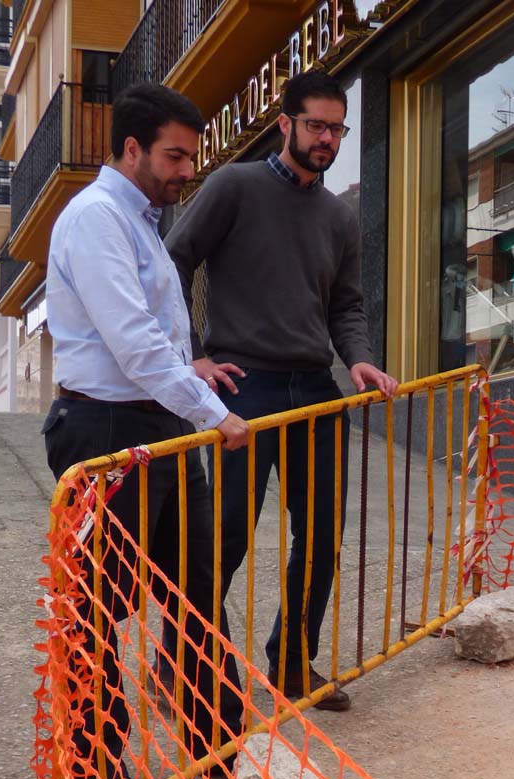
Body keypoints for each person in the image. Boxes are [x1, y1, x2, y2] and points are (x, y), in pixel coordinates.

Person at [42, 82, 250, 779]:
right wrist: (211, 412)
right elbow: (131, 343)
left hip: (155, 424)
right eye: (173, 155)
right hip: (105, 431)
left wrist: (185, 375)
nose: (185, 169)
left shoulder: (139, 220)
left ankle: (221, 742)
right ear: (131, 148)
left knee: (196, 587)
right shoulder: (97, 218)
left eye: (191, 155)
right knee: (98, 607)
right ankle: (98, 768)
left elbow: (148, 336)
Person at [164, 70, 397, 711]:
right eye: (316, 125)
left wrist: (360, 361)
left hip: (315, 391)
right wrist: (192, 358)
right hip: (243, 386)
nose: (327, 139)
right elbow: (172, 263)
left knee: (321, 536)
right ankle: (176, 667)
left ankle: (293, 663)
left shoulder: (339, 216)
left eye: (337, 129)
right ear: (284, 124)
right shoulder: (233, 186)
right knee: (226, 538)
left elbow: (346, 306)